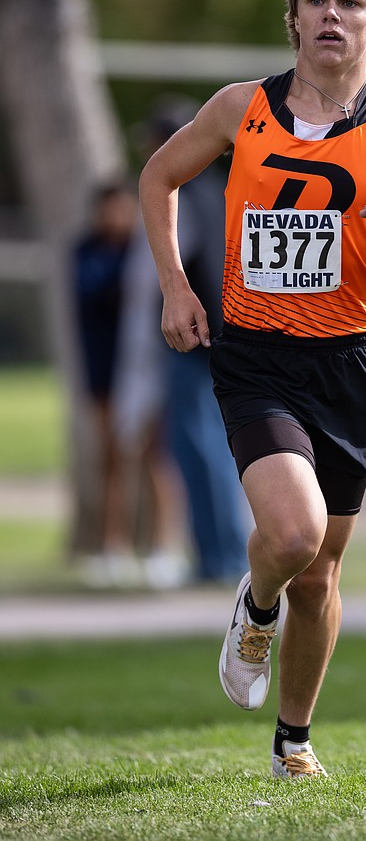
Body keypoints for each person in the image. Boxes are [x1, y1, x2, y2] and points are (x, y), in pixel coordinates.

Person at [138, 0, 366, 778]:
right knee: (292, 533)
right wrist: (177, 287)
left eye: (351, 3)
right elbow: (157, 178)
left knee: (320, 576)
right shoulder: (239, 107)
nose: (332, 14)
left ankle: (293, 741)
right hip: (255, 357)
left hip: (347, 366)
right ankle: (254, 608)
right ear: (293, 18)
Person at [116, 100, 251, 585]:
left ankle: (221, 557)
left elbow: (152, 277)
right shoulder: (224, 190)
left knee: (198, 445)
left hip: (193, 340)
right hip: (234, 332)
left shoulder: (179, 196)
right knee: (221, 445)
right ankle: (225, 553)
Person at [73, 181, 183, 588]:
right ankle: (111, 547)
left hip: (147, 366)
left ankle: (162, 547)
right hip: (106, 373)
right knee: (112, 459)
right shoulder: (88, 252)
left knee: (158, 458)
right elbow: (94, 297)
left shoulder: (143, 251)